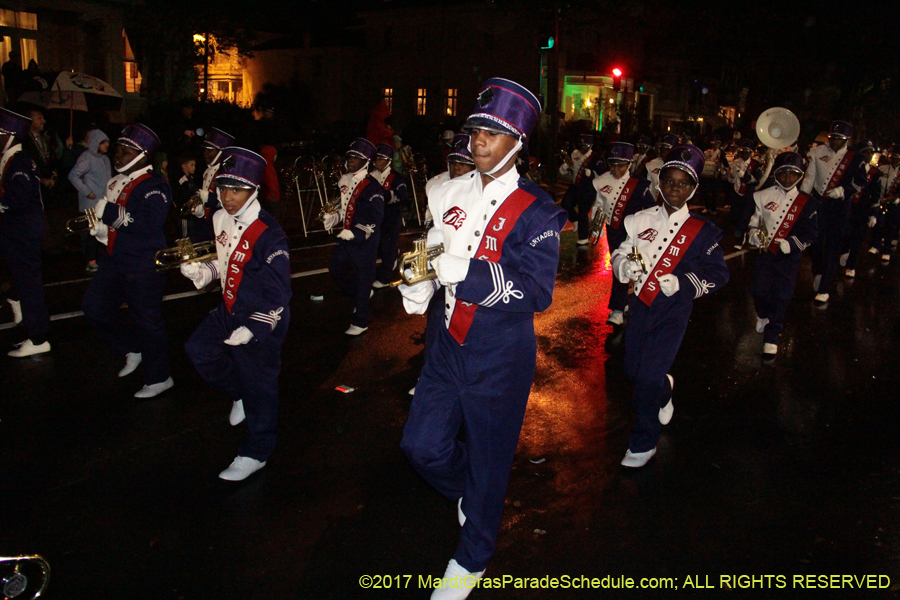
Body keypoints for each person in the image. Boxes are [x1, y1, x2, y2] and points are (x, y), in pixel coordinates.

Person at [398, 78, 567, 598]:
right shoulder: (444, 190)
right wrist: (420, 281)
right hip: (447, 344)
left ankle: (472, 557)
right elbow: (433, 244)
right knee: (420, 446)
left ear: (517, 142)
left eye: (491, 134)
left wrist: (464, 271)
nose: (477, 141)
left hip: (499, 354)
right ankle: (472, 492)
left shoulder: (539, 210)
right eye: (475, 131)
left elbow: (537, 293)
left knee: (492, 460)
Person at [610, 145, 729, 468]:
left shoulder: (704, 231)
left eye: (683, 183)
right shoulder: (638, 220)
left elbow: (719, 274)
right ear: (660, 183)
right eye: (670, 181)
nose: (676, 188)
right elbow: (620, 253)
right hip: (641, 307)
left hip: (674, 311)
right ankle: (665, 387)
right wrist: (624, 268)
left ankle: (643, 443)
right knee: (634, 372)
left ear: (693, 189)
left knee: (646, 378)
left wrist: (685, 283)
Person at [181, 147, 291, 481]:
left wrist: (253, 329)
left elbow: (280, 295)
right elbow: (228, 262)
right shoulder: (219, 217)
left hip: (262, 317)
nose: (228, 197)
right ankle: (238, 391)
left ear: (254, 191)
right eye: (223, 188)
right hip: (230, 307)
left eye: (237, 189)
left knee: (261, 385)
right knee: (198, 350)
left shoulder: (271, 235)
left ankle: (257, 452)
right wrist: (206, 273)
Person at [82, 123, 174, 398]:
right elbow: (116, 225)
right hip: (114, 260)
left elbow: (147, 225)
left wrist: (109, 214)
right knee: (94, 308)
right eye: (118, 150)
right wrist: (101, 231)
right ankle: (132, 348)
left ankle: (160, 377)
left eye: (124, 151)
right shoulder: (114, 182)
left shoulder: (156, 186)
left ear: (143, 155)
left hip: (144, 264)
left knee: (148, 320)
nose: (117, 156)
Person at [747, 152, 819, 358]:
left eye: (793, 174)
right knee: (758, 290)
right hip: (767, 254)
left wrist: (793, 244)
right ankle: (762, 315)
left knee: (781, 295)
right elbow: (755, 220)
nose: (788, 178)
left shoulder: (807, 202)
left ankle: (772, 335)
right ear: (776, 175)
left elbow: (812, 234)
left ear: (800, 176)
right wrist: (753, 234)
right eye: (783, 174)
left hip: (789, 258)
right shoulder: (762, 195)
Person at [0, 108, 51, 357]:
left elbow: (17, 199)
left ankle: (38, 336)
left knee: (30, 285)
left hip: (23, 232)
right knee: (24, 282)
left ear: (10, 136)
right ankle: (31, 329)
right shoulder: (11, 159)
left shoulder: (18, 162)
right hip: (17, 231)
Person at [322, 138, 385, 336]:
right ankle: (361, 296)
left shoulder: (373, 187)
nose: (350, 160)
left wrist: (357, 233)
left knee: (364, 276)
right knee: (336, 268)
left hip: (365, 239)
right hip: (345, 235)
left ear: (366, 162)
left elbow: (375, 217)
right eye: (350, 156)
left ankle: (361, 320)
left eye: (356, 158)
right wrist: (334, 218)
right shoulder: (344, 180)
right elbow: (345, 208)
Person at [801, 120, 867, 304]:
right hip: (819, 203)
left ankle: (824, 288)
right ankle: (819, 271)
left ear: (847, 139)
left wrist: (842, 191)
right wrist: (801, 202)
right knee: (813, 243)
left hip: (840, 206)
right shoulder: (817, 152)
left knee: (832, 245)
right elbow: (809, 179)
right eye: (832, 138)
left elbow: (861, 182)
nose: (835, 142)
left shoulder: (855, 158)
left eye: (840, 139)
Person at [590, 141, 656, 325]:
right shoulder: (602, 181)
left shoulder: (639, 185)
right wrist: (595, 224)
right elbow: (598, 205)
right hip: (613, 232)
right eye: (613, 164)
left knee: (639, 268)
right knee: (619, 269)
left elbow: (653, 209)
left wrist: (644, 227)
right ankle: (619, 307)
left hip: (634, 234)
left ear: (629, 164)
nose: (616, 169)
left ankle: (628, 306)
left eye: (621, 164)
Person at [67, 129, 111, 273]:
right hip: (91, 204)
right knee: (92, 234)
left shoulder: (105, 159)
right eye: (103, 142)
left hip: (103, 202)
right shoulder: (86, 158)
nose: (107, 145)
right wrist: (87, 192)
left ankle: (102, 259)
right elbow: (73, 175)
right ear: (96, 143)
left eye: (107, 142)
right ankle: (90, 261)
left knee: (104, 232)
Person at [371, 142, 408, 288]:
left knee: (386, 245)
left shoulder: (396, 178)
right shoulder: (371, 176)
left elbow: (402, 197)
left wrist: (385, 195)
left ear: (388, 161)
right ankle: (393, 254)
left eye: (382, 159)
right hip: (376, 217)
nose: (378, 162)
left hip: (391, 218)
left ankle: (385, 278)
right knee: (377, 245)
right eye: (377, 159)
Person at [841, 140, 880, 277]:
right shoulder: (850, 168)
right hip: (848, 207)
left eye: (871, 152)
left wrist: (874, 214)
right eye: (866, 152)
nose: (869, 155)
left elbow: (876, 196)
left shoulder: (876, 173)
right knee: (845, 234)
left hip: (864, 212)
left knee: (858, 240)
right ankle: (844, 251)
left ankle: (851, 266)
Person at [189, 127, 235, 242]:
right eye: (205, 150)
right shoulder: (207, 171)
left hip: (220, 224)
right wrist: (200, 210)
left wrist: (208, 198)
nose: (205, 154)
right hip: (207, 222)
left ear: (221, 152)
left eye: (210, 150)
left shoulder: (226, 174)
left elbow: (229, 202)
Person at [560, 133, 604, 244]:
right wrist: (565, 166)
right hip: (575, 186)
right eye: (581, 146)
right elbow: (563, 171)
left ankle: (583, 238)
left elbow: (602, 176)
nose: (583, 148)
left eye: (586, 146)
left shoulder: (596, 158)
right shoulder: (575, 154)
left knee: (583, 212)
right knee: (565, 204)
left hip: (588, 188)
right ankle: (575, 220)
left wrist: (592, 174)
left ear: (590, 146)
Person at [726, 138, 763, 249]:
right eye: (743, 150)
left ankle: (740, 239)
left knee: (744, 217)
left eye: (748, 151)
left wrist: (744, 175)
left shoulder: (756, 165)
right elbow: (731, 180)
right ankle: (740, 233)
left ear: (751, 152)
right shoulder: (736, 162)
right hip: (737, 192)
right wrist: (732, 175)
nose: (745, 153)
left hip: (748, 194)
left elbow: (756, 181)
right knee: (735, 216)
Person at [872, 146, 900, 263]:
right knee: (878, 223)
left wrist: (895, 198)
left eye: (896, 158)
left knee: (891, 226)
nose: (893, 160)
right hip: (881, 200)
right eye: (892, 157)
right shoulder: (882, 169)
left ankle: (887, 250)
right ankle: (875, 245)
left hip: (895, 203)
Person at [20, 106, 55, 192]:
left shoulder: (44, 139)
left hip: (48, 188)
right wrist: (40, 179)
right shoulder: (24, 141)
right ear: (30, 121)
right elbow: (25, 165)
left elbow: (51, 159)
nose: (44, 121)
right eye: (39, 118)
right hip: (32, 187)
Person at [644, 133, 679, 202]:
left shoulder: (680, 168)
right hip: (653, 206)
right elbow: (645, 188)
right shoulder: (650, 165)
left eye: (667, 149)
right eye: (663, 148)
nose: (664, 151)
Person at [174, 153, 199, 238]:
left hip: (193, 215)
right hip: (185, 216)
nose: (194, 168)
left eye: (194, 165)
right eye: (191, 165)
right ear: (184, 166)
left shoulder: (191, 180)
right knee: (185, 237)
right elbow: (182, 199)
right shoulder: (182, 181)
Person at [259, 145, 281, 220]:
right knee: (273, 217)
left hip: (267, 196)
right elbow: (271, 183)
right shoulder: (268, 167)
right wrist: (274, 195)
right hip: (271, 197)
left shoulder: (265, 166)